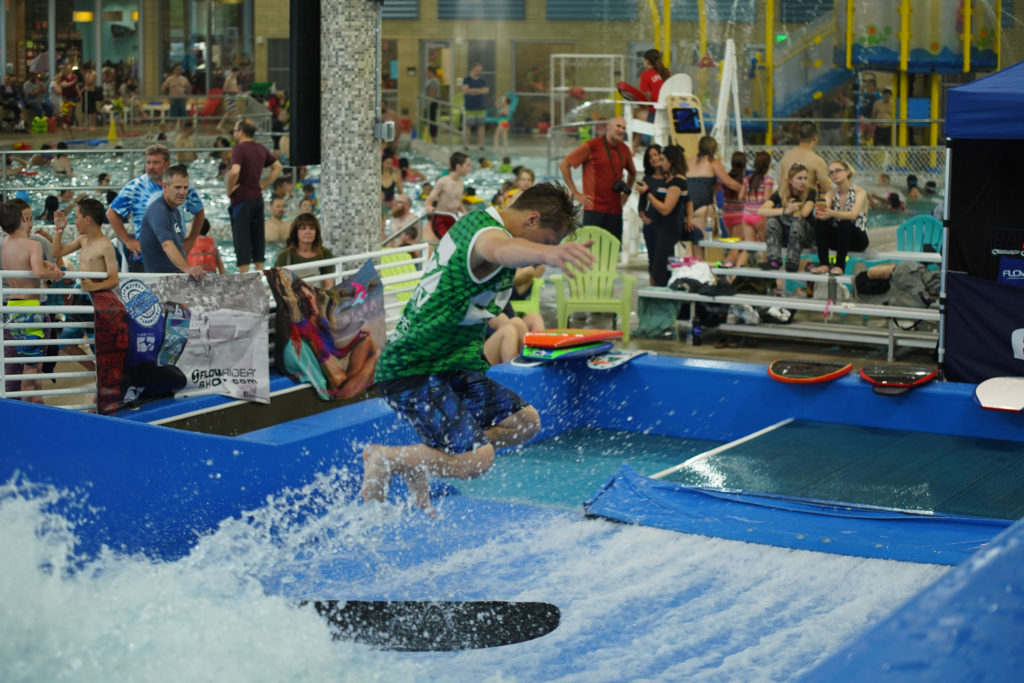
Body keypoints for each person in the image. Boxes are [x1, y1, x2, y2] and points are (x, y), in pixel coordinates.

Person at [360, 182, 595, 513]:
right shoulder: (485, 233)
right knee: (477, 461)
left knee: (526, 422)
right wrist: (545, 254)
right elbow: (498, 250)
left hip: (450, 365)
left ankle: (425, 457)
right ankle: (385, 458)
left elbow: (482, 288)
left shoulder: (490, 229)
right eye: (546, 240)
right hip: (412, 368)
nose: (543, 251)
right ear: (531, 219)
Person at [107, 144, 206, 272]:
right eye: (148, 162)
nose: (150, 167)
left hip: (176, 258)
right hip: (145, 258)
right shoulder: (135, 187)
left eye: (156, 163)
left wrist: (191, 239)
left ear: (167, 163)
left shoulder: (182, 185)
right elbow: (111, 213)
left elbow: (199, 211)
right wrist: (127, 240)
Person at [1, 200, 62, 403]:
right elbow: (37, 272)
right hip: (30, 309)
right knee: (31, 367)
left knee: (31, 364)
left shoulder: (5, 243)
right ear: (24, 219)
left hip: (13, 307)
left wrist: (42, 264)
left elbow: (24, 265)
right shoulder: (32, 244)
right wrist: (54, 272)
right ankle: (25, 414)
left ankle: (36, 407)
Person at [51, 197, 120, 376]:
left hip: (97, 302)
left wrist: (95, 287)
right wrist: (59, 229)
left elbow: (114, 279)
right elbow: (55, 252)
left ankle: (100, 386)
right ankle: (97, 373)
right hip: (82, 299)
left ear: (87, 220)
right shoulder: (82, 240)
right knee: (65, 343)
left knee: (97, 347)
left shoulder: (106, 246)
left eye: (76, 217)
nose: (74, 222)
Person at [558, 115, 636, 243]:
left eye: (624, 127)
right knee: (591, 252)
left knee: (613, 251)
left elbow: (632, 173)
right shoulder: (591, 145)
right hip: (594, 209)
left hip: (615, 209)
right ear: (608, 127)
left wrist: (626, 194)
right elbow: (564, 164)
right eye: (618, 126)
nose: (621, 130)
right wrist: (575, 193)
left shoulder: (624, 149)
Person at [226, 118, 283, 273]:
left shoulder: (238, 149)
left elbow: (235, 171)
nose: (234, 134)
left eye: (235, 131)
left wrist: (229, 189)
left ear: (241, 132)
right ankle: (259, 275)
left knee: (242, 241)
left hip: (242, 201)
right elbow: (278, 167)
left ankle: (245, 281)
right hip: (258, 200)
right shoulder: (261, 149)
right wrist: (263, 185)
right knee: (258, 240)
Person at [636, 145, 692, 285]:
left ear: (671, 161)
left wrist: (647, 193)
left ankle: (662, 301)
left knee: (659, 270)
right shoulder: (669, 180)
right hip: (660, 228)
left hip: (668, 229)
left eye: (662, 159)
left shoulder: (676, 182)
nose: (660, 162)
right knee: (658, 267)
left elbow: (666, 209)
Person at [138, 165, 206, 279]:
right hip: (159, 285)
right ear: (165, 186)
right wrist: (188, 268)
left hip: (176, 281)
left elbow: (178, 246)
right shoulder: (158, 211)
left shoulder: (175, 211)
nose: (182, 192)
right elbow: (167, 245)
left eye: (185, 187)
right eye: (177, 187)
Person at [811, 160, 869, 274]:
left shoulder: (859, 192)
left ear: (847, 172)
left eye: (837, 170)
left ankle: (839, 266)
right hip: (839, 239)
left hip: (857, 239)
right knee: (820, 222)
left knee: (845, 222)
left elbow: (853, 215)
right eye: (831, 173)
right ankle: (824, 264)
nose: (834, 174)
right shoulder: (831, 193)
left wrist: (832, 213)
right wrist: (819, 212)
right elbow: (824, 209)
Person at [758, 162, 817, 272]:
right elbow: (761, 211)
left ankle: (792, 262)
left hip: (805, 236)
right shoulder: (781, 193)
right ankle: (774, 260)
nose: (803, 182)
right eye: (799, 178)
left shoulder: (810, 192)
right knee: (772, 220)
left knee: (797, 221)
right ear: (790, 180)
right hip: (787, 235)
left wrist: (794, 209)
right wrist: (785, 210)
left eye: (805, 178)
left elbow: (804, 213)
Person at [685, 136, 742, 247]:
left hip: (688, 206)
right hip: (702, 206)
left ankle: (693, 263)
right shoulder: (713, 163)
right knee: (699, 244)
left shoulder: (688, 162)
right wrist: (746, 189)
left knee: (695, 243)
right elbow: (728, 182)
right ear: (714, 149)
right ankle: (694, 264)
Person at [273, 212, 335, 286]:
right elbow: (278, 286)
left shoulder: (325, 254)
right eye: (303, 228)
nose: (308, 232)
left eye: (311, 228)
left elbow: (328, 285)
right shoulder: (284, 256)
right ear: (296, 232)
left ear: (316, 232)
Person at [424, 152, 471, 246]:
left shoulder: (461, 182)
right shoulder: (443, 182)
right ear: (458, 166)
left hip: (453, 218)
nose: (469, 168)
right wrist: (428, 207)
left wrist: (464, 212)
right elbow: (429, 199)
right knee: (450, 244)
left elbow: (458, 200)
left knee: (459, 243)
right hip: (441, 219)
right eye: (467, 165)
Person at [777, 121, 831, 201]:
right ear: (815, 137)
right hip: (806, 205)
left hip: (785, 203)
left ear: (798, 136)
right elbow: (826, 188)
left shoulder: (786, 156)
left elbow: (780, 184)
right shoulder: (817, 160)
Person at [739, 151, 774, 263]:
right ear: (768, 165)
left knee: (748, 248)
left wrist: (750, 201)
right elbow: (766, 199)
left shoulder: (747, 178)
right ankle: (767, 275)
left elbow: (740, 196)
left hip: (746, 215)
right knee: (766, 247)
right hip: (760, 216)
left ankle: (734, 275)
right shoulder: (768, 180)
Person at [633, 49, 671, 151]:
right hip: (670, 115)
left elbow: (647, 97)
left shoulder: (646, 75)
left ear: (647, 61)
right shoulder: (667, 73)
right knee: (640, 114)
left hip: (656, 116)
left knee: (635, 113)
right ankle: (636, 145)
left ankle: (634, 146)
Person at [721, 151, 747, 267]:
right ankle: (730, 270)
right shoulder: (745, 180)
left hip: (727, 214)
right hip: (739, 215)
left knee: (735, 244)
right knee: (736, 247)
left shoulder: (726, 178)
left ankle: (732, 267)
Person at [462, 63, 489, 150]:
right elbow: (466, 90)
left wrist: (475, 90)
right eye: (477, 69)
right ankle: (466, 144)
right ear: (473, 69)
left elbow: (486, 90)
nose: (479, 71)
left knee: (481, 126)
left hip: (480, 106)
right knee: (468, 126)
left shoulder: (482, 80)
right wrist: (479, 90)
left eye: (480, 70)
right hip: (469, 107)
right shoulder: (467, 79)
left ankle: (481, 145)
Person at [218, 67, 242, 131]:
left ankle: (220, 125)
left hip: (234, 96)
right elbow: (224, 89)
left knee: (228, 112)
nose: (237, 74)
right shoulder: (228, 79)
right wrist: (233, 91)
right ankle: (240, 124)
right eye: (237, 73)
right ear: (234, 72)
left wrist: (238, 90)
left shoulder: (235, 79)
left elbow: (236, 87)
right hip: (229, 96)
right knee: (235, 111)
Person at [423, 66, 441, 142]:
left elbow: (432, 93)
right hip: (432, 102)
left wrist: (428, 104)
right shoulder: (431, 80)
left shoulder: (433, 81)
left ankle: (433, 137)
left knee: (432, 119)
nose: (426, 73)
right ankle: (432, 136)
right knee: (431, 119)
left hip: (432, 103)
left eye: (427, 72)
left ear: (431, 72)